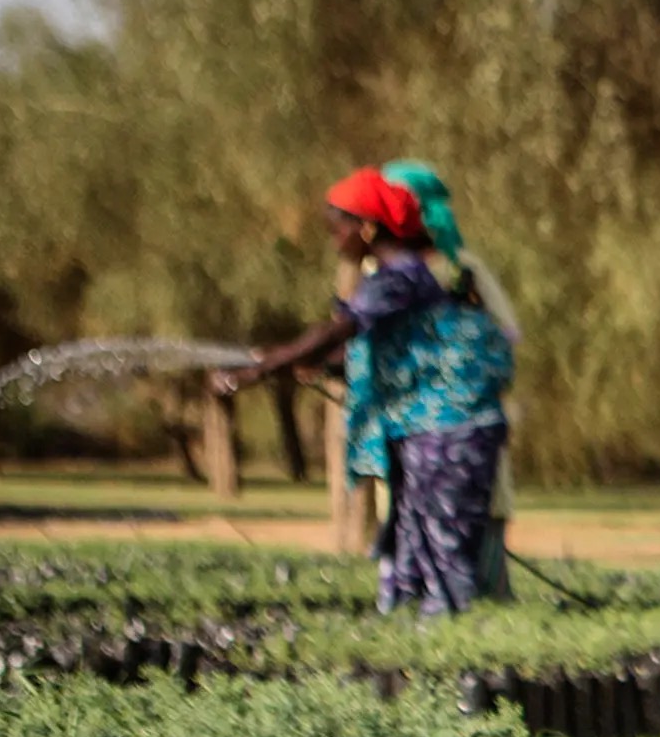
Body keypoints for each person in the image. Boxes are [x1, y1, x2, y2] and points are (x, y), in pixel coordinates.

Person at [217, 167, 512, 617]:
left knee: (443, 546)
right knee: (411, 542)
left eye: (338, 228)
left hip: (452, 430)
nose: (334, 240)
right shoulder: (395, 279)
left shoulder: (401, 277)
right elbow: (370, 349)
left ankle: (450, 647)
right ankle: (412, 636)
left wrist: (258, 369)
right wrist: (305, 364)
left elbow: (339, 330)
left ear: (368, 228)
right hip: (422, 429)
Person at [383, 160, 521, 599]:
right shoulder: (381, 272)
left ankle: (476, 607)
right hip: (408, 429)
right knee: (411, 518)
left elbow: (504, 339)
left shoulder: (462, 268)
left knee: (469, 516)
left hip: (461, 425)